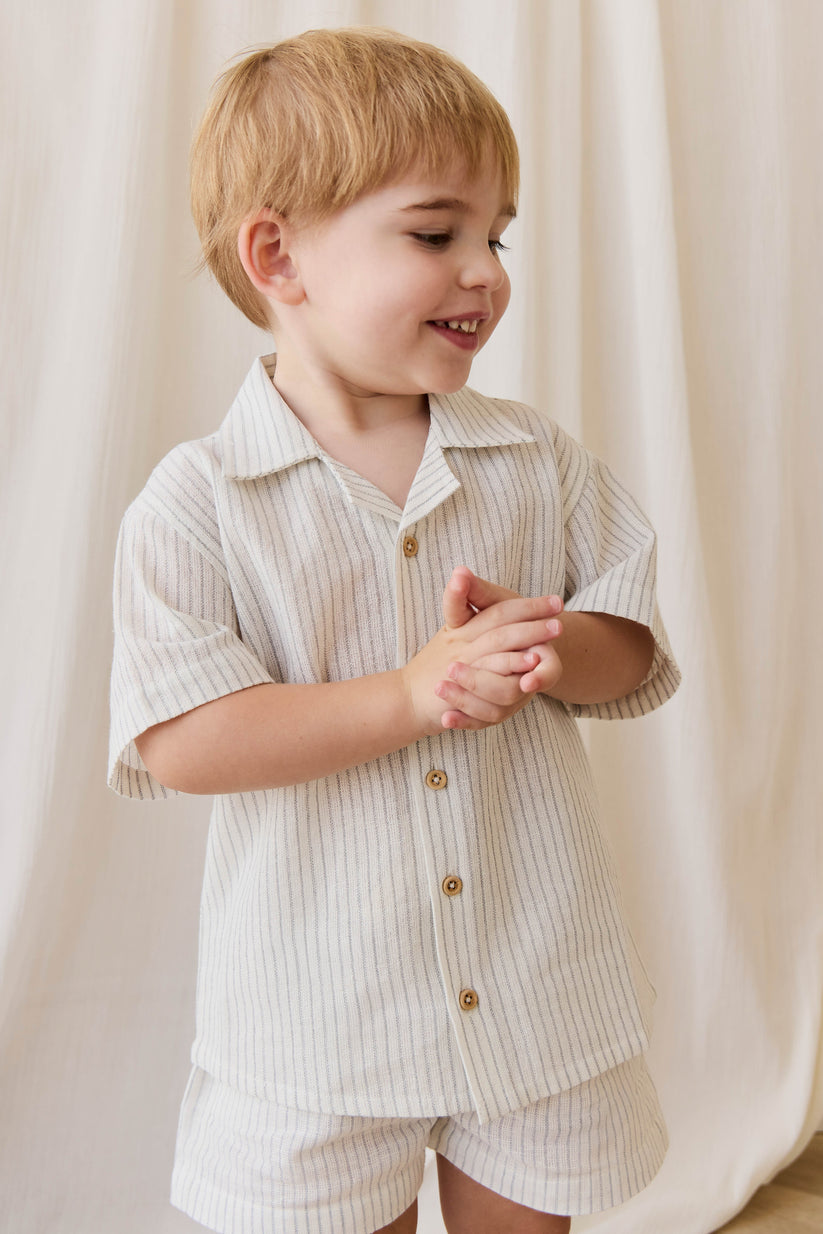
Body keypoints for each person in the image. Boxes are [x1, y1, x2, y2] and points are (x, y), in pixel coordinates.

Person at [109, 26, 681, 1234]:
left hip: (533, 985)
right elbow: (183, 741)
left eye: (496, 234)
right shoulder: (198, 501)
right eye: (437, 234)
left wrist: (547, 647)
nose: (485, 270)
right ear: (279, 255)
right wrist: (410, 692)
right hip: (320, 1016)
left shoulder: (532, 460)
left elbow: (629, 650)